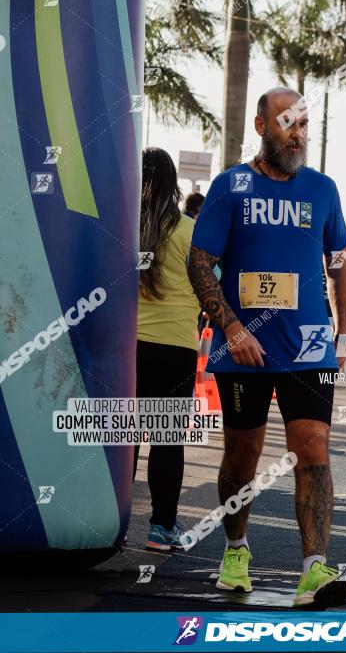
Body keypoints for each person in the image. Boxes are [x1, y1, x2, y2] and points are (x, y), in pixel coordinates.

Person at [190, 87, 346, 609]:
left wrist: (344, 330)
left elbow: (340, 262)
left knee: (314, 452)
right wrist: (233, 330)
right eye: (288, 123)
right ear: (261, 127)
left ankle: (314, 571)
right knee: (242, 456)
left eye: (305, 123)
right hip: (245, 350)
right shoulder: (230, 186)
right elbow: (199, 261)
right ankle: (236, 550)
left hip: (308, 348)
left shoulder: (323, 190)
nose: (299, 133)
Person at [135, 148, 200, 550]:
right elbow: (211, 278)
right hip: (176, 344)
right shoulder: (187, 229)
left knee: (124, 437)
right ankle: (161, 528)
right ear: (173, 182)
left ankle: (112, 520)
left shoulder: (125, 226)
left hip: (128, 345)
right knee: (167, 438)